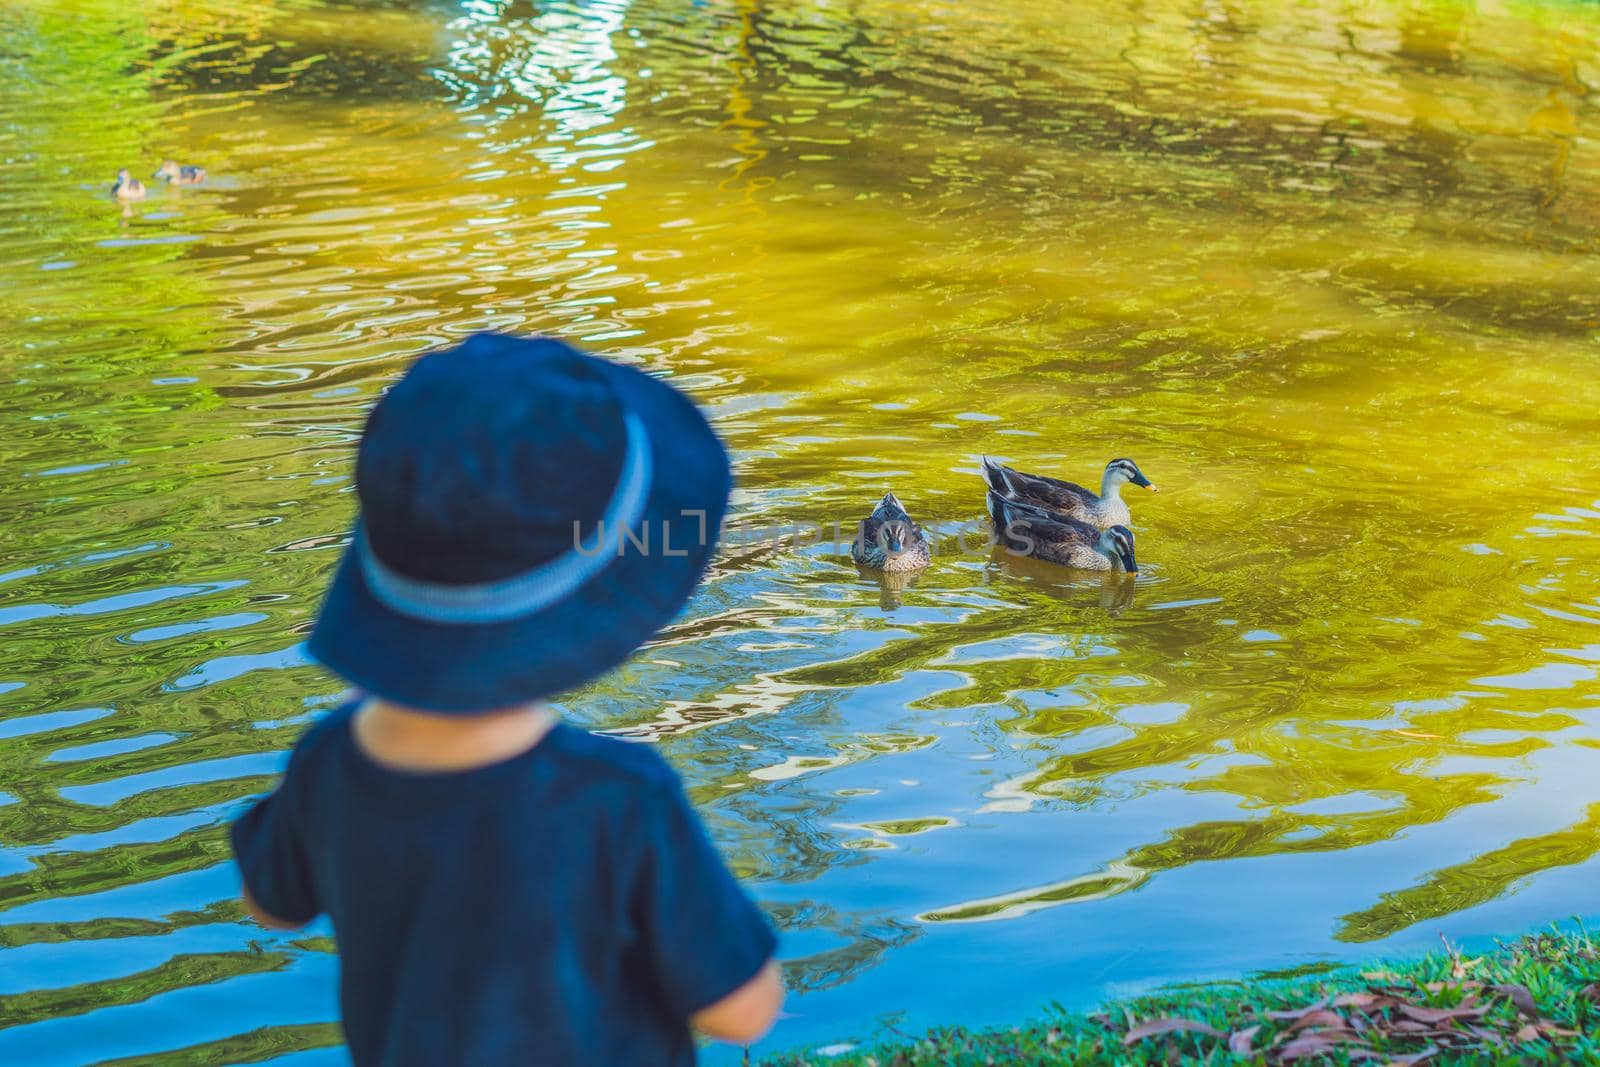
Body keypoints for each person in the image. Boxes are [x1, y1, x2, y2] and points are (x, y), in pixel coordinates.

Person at [230, 333, 783, 1066]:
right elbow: (743, 1012)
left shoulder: (327, 760)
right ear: (598, 606)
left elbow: (270, 903)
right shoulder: (619, 800)